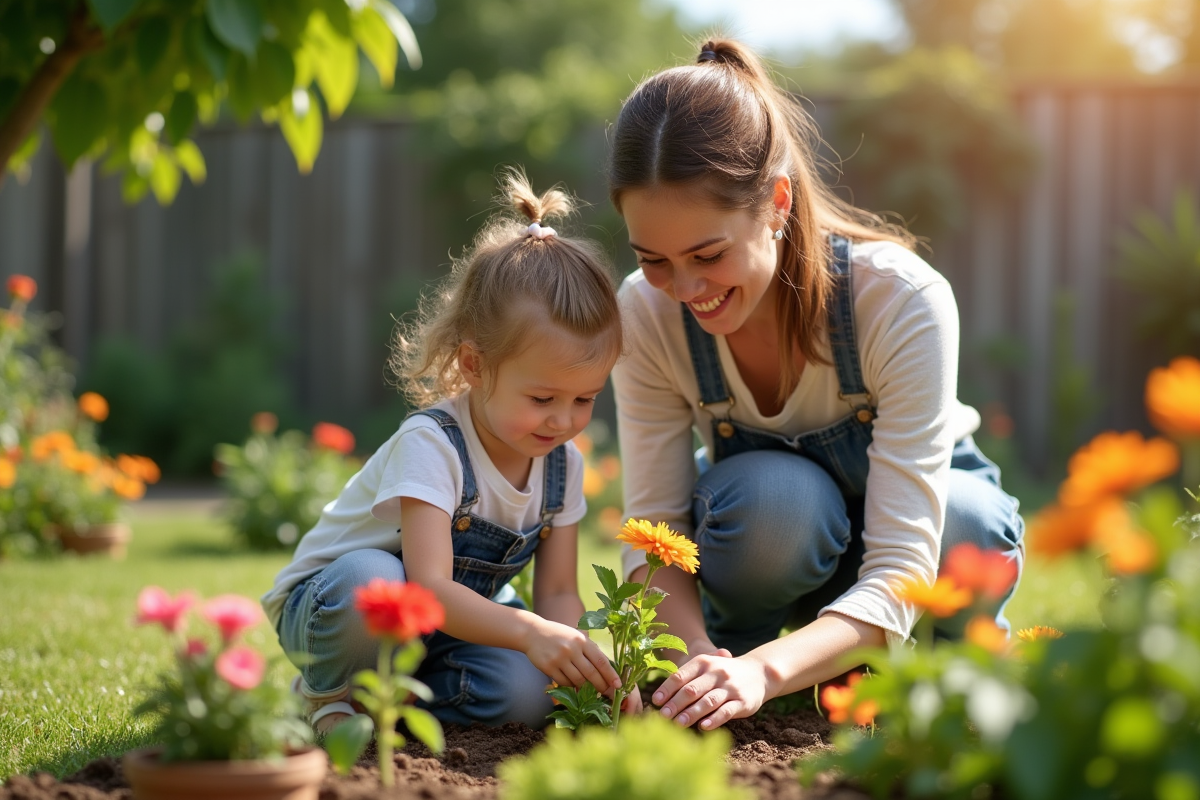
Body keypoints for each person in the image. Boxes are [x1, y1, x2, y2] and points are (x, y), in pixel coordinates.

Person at [607, 39, 1025, 731]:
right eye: (653, 259)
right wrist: (697, 663)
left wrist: (762, 674)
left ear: (776, 202)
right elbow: (656, 532)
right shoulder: (645, 313)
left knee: (969, 525)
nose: (684, 289)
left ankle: (937, 680)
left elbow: (900, 564)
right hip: (779, 557)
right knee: (775, 504)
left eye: (708, 255)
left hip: (911, 555)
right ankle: (747, 658)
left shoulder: (898, 300)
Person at [263, 172, 637, 733]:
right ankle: (326, 692)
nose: (564, 420)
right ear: (474, 365)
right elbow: (429, 585)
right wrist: (530, 631)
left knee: (527, 695)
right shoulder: (434, 444)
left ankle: (395, 704)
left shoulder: (563, 467)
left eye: (585, 398)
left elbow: (558, 590)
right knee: (374, 581)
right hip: (337, 612)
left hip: (443, 632)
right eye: (541, 398)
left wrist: (582, 662)